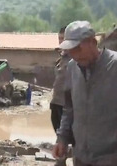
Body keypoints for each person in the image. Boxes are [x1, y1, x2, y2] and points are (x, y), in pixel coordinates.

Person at [51, 20, 117, 166]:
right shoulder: (72, 68)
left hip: (114, 158)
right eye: (71, 50)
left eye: (78, 49)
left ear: (93, 42)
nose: (74, 55)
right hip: (82, 156)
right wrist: (62, 138)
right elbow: (69, 108)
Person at [50, 26, 72, 166]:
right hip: (56, 102)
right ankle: (61, 158)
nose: (61, 41)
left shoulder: (75, 58)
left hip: (68, 104)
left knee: (67, 134)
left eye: (63, 38)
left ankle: (63, 159)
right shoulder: (62, 57)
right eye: (59, 38)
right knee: (58, 132)